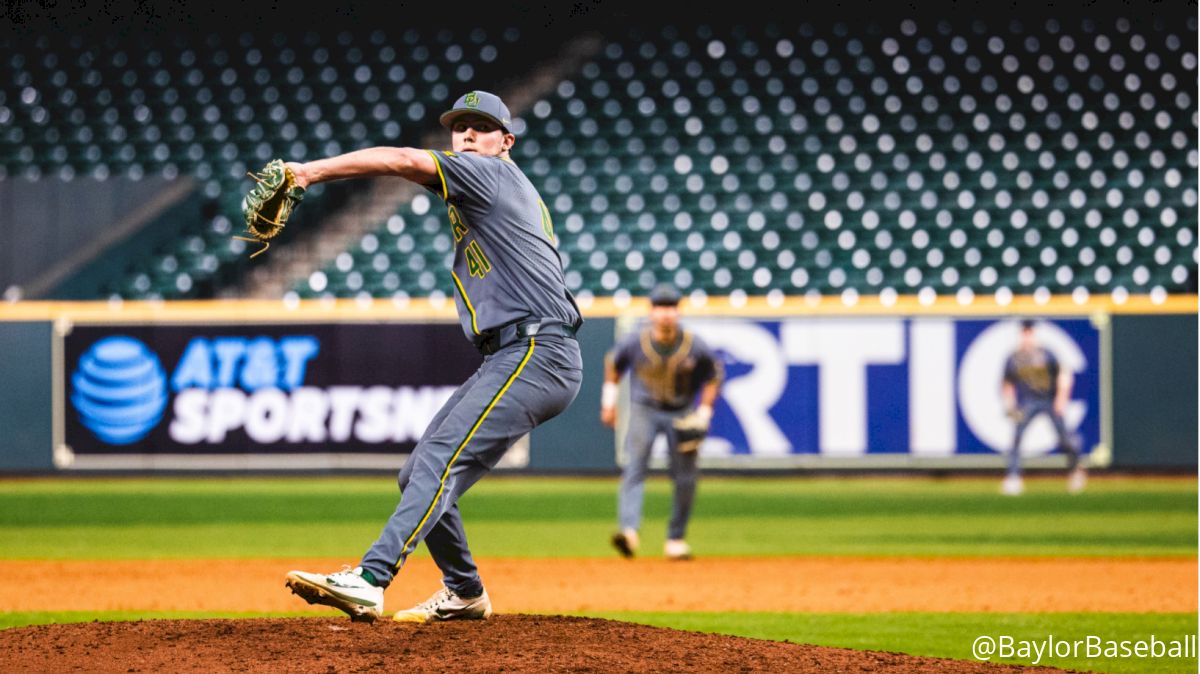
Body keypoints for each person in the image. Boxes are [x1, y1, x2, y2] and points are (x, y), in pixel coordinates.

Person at [282, 91, 583, 623]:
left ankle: (372, 578)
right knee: (417, 471)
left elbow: (400, 160)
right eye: (459, 127)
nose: (467, 135)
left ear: (505, 142)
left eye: (481, 127)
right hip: (515, 352)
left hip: (537, 349)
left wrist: (308, 172)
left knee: (440, 460)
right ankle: (465, 591)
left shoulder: (487, 175)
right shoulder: (494, 187)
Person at [600, 283, 723, 560]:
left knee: (685, 477)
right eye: (660, 307)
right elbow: (613, 366)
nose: (666, 314)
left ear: (678, 312)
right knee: (634, 468)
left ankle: (676, 540)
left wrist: (704, 413)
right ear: (652, 311)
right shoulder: (636, 340)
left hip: (681, 411)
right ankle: (629, 533)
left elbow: (714, 376)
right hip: (645, 408)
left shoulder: (694, 344)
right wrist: (609, 403)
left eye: (670, 308)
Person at [1001, 319, 1086, 496]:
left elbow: (1064, 374)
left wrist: (1062, 399)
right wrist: (1009, 404)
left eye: (1029, 333)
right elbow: (1007, 383)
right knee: (1016, 438)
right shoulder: (1015, 358)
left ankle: (1075, 472)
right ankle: (1013, 477)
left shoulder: (1046, 354)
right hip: (1027, 401)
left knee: (1065, 439)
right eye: (1024, 333)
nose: (1027, 337)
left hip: (1049, 399)